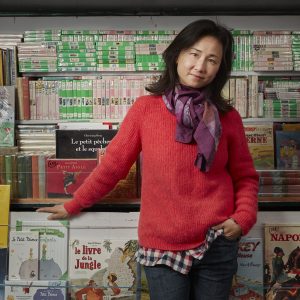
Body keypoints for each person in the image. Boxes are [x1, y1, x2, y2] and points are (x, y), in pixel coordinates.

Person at [37, 19, 259, 300]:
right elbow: (113, 166)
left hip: (216, 242)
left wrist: (243, 219)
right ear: (177, 55)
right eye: (194, 54)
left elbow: (245, 177)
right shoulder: (145, 110)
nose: (200, 66)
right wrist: (75, 203)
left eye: (212, 60)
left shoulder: (227, 117)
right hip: (162, 245)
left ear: (220, 69)